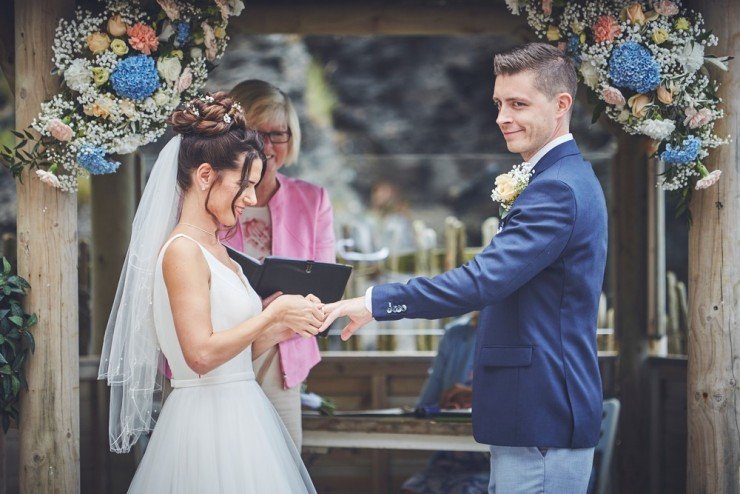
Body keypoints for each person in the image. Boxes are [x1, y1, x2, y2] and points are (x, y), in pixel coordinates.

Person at [321, 43, 608, 493]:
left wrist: (377, 301)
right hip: (532, 412)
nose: (502, 117)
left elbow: (482, 281)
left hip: (542, 414)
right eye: (499, 103)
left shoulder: (558, 189)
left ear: (561, 105)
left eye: (518, 104)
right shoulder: (558, 180)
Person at [98, 92, 321, 492]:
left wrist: (284, 326)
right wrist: (268, 315)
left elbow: (233, 355)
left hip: (242, 412)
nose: (251, 198)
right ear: (205, 176)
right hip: (205, 424)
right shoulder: (183, 251)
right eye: (244, 184)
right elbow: (199, 356)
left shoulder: (219, 250)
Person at [222, 80, 336, 450]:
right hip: (221, 345)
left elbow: (327, 286)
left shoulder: (313, 200)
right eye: (255, 133)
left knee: (281, 460)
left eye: (278, 134)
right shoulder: (212, 196)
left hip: (283, 354)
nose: (267, 146)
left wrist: (282, 317)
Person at [401, 313, 489, 494]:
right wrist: (445, 401)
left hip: (493, 462)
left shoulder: (516, 332)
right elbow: (427, 402)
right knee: (410, 490)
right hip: (450, 457)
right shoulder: (455, 333)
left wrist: (478, 397)